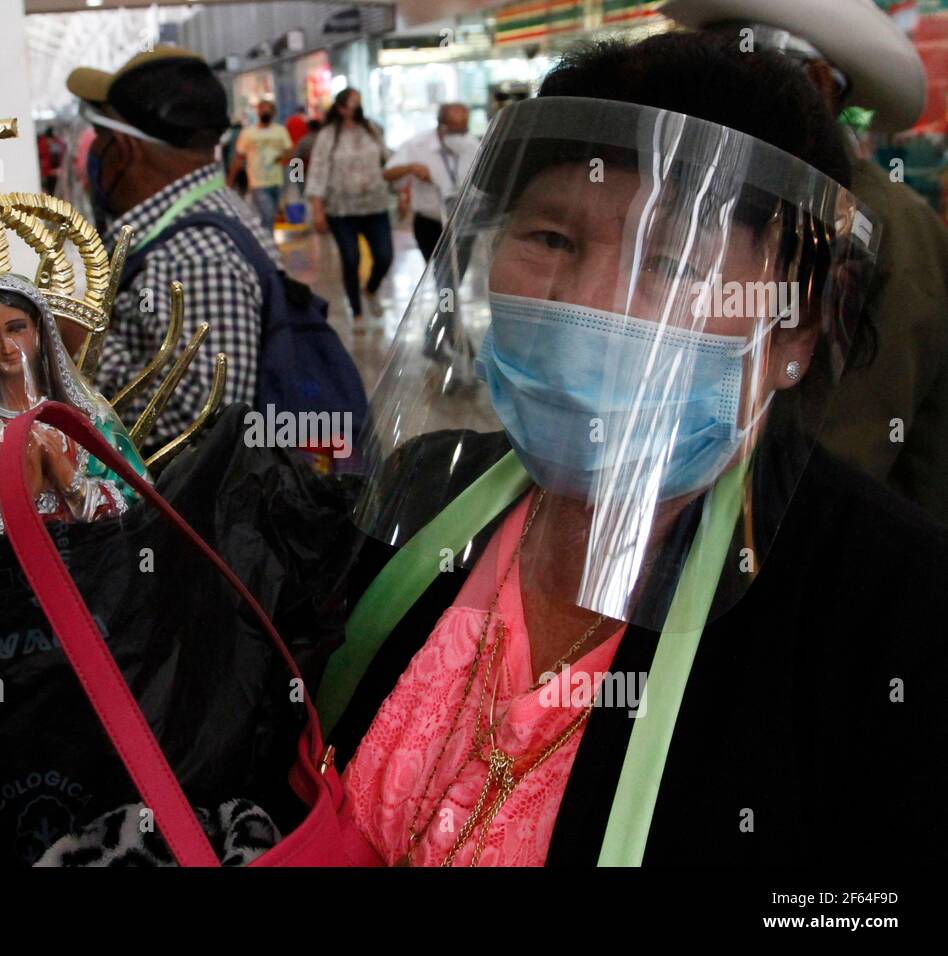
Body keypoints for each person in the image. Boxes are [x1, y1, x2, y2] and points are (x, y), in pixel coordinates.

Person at [317, 33, 948, 867]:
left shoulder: (888, 607)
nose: (588, 303)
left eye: (673, 261)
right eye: (549, 239)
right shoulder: (424, 492)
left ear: (791, 329)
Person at [664, 0, 948, 526]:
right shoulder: (757, 200)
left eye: (746, 73)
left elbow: (849, 447)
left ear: (818, 85)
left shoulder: (877, 223)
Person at [66, 47, 279, 452]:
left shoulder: (192, 255)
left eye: (101, 138)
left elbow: (206, 422)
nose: (91, 156)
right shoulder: (203, 217)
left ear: (125, 149)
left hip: (187, 511)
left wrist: (81, 343)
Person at [0, 273, 146, 546]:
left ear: (39, 330)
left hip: (97, 569)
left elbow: (140, 508)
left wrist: (70, 482)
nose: (7, 347)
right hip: (13, 579)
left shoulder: (88, 416)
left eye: (16, 328)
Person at [306, 88, 395, 321]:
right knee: (351, 258)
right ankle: (356, 308)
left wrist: (402, 189)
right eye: (353, 103)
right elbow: (317, 171)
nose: (357, 107)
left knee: (385, 255)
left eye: (359, 102)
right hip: (341, 209)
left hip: (375, 205)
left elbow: (388, 161)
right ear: (341, 107)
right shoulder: (328, 136)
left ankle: (371, 289)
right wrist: (317, 210)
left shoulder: (372, 130)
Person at [384, 103, 481, 263]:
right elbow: (387, 174)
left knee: (457, 272)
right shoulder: (417, 145)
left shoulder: (472, 144)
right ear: (441, 127)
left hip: (463, 221)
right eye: (454, 131)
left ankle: (448, 290)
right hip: (430, 222)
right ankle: (443, 289)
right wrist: (411, 168)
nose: (459, 136)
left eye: (463, 130)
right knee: (438, 271)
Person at [228, 99, 293, 231]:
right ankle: (268, 244)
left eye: (268, 109)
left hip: (277, 180)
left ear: (273, 112)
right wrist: (230, 180)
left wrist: (283, 161)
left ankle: (268, 239)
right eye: (262, 108)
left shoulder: (280, 131)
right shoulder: (247, 134)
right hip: (258, 181)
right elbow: (239, 157)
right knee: (267, 213)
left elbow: (290, 152)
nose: (265, 112)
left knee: (271, 215)